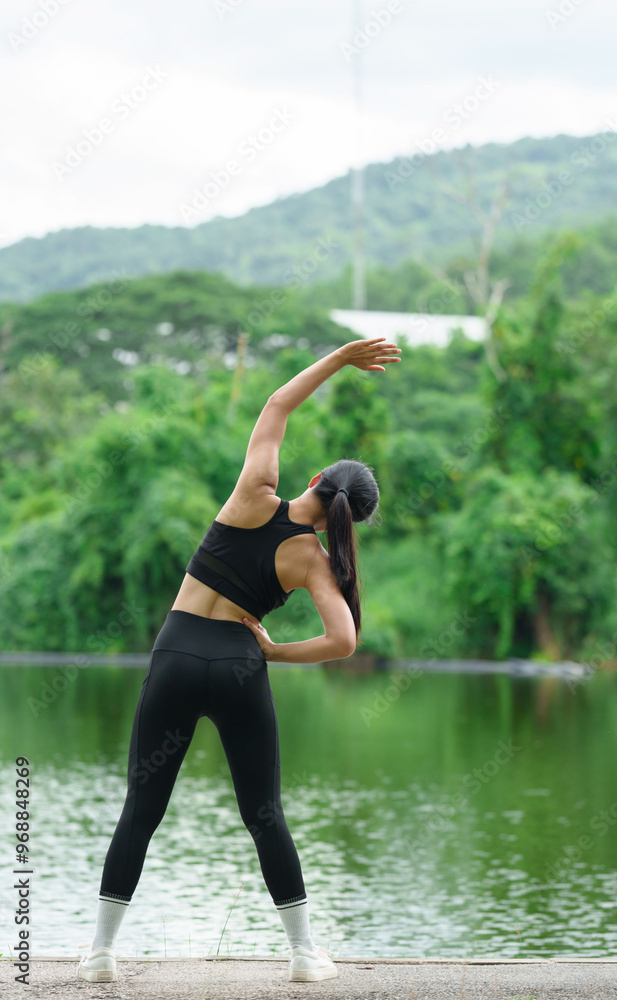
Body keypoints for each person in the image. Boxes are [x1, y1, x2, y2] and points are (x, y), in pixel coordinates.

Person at [77, 335, 401, 985]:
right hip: (238, 667)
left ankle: (99, 957)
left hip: (175, 652)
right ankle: (305, 955)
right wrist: (275, 653)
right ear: (350, 520)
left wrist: (339, 359)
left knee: (142, 808)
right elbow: (343, 642)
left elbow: (278, 403)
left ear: (314, 481)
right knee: (264, 814)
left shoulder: (255, 492)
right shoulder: (313, 561)